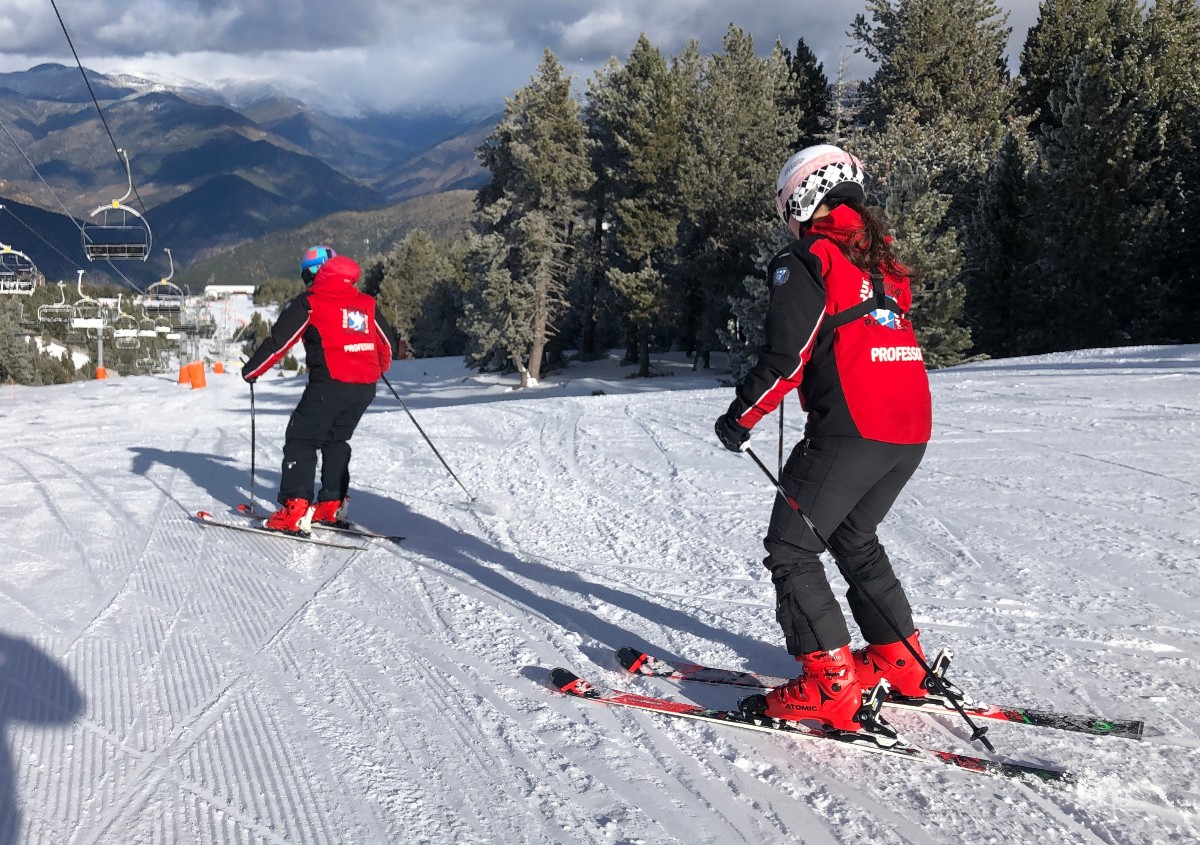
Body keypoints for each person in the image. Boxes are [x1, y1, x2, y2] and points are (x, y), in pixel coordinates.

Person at [713, 145, 934, 731]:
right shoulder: (883, 262)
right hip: (909, 429)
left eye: (787, 209)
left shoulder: (811, 258)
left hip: (852, 430)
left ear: (803, 199)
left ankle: (829, 687)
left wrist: (742, 416)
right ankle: (901, 662)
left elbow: (788, 353)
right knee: (855, 537)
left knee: (791, 547)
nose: (788, 222)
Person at [242, 245, 398, 534]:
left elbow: (279, 343)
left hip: (330, 382)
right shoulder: (364, 302)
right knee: (335, 440)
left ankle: (295, 508)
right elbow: (387, 343)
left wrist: (252, 371)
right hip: (364, 387)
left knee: (301, 439)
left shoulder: (311, 301)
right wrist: (373, 366)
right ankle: (331, 505)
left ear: (313, 274)